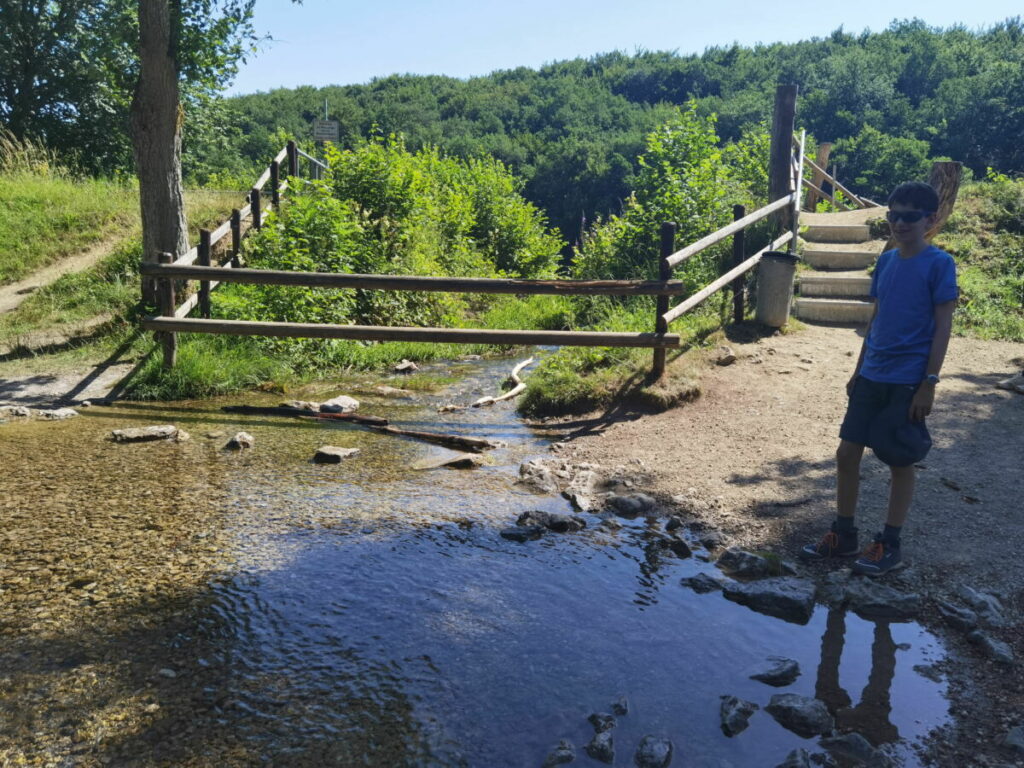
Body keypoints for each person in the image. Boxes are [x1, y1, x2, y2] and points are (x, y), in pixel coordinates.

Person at [800, 181, 958, 576]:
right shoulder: (886, 261)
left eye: (910, 217)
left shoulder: (940, 264)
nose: (900, 224)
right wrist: (858, 368)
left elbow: (942, 328)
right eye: (894, 215)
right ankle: (844, 534)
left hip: (907, 380)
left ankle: (890, 543)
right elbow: (876, 320)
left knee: (899, 460)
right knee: (846, 453)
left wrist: (929, 383)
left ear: (930, 219)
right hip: (872, 375)